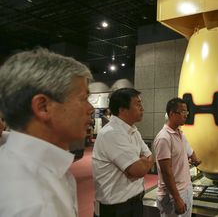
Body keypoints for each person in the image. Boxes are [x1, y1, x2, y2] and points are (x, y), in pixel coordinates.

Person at [0, 48, 94, 217]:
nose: (91, 109)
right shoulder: (34, 204)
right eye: (83, 98)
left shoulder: (15, 161)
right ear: (43, 107)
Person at [92, 88, 154, 217]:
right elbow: (139, 170)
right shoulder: (112, 133)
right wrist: (140, 163)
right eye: (137, 104)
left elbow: (150, 156)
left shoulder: (133, 130)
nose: (142, 108)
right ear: (122, 110)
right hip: (116, 209)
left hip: (135, 201)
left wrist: (141, 163)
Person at [153, 97, 201, 217]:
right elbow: (166, 172)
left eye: (187, 112)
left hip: (185, 188)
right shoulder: (164, 138)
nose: (186, 115)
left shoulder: (179, 134)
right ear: (172, 114)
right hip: (174, 194)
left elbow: (188, 155)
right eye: (183, 112)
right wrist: (177, 198)